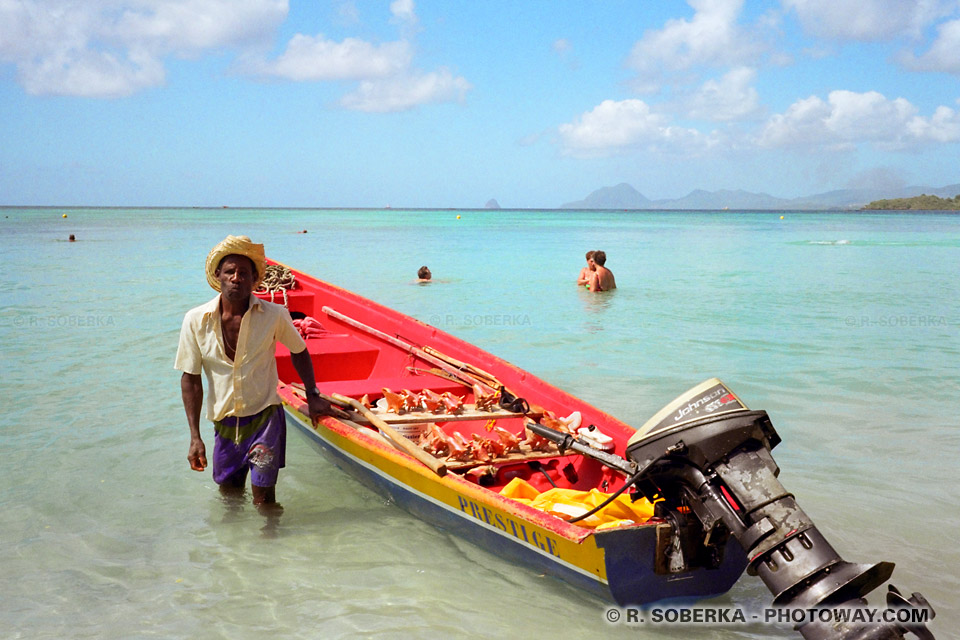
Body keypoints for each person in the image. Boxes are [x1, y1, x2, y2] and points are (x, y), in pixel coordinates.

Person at [175, 235, 336, 509]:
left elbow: (299, 351)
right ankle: (235, 551)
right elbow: (190, 379)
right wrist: (194, 437)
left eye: (244, 274)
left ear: (253, 281)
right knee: (230, 496)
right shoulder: (195, 320)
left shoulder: (274, 314)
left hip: (265, 420)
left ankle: (271, 546)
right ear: (218, 276)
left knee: (265, 501)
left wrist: (312, 393)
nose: (236, 278)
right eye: (230, 272)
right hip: (224, 424)